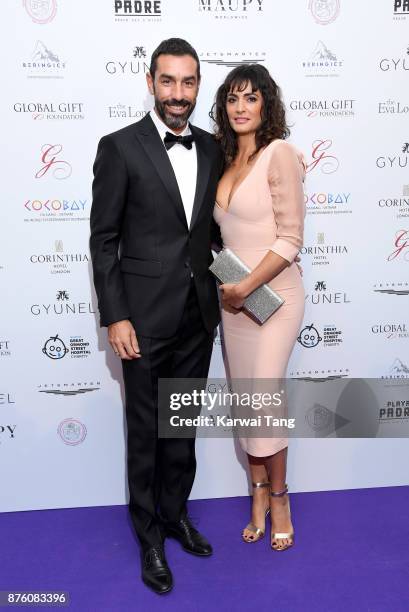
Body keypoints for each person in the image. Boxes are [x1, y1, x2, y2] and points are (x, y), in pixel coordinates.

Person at [90, 38, 223, 595]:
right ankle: (148, 538)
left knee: (181, 430)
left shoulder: (214, 148)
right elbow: (104, 240)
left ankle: (175, 515)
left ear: (197, 86)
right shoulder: (119, 147)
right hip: (141, 322)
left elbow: (215, 236)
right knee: (145, 432)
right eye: (167, 81)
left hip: (198, 316)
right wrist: (116, 318)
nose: (178, 94)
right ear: (150, 82)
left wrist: (257, 298)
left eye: (188, 82)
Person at [212, 64, 306, 551]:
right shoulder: (224, 160)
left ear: (266, 104)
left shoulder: (280, 154)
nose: (241, 107)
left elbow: (291, 238)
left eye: (251, 98)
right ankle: (258, 494)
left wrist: (247, 284)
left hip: (275, 299)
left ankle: (282, 498)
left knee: (264, 399)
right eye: (232, 98)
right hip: (234, 304)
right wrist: (235, 288)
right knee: (248, 404)